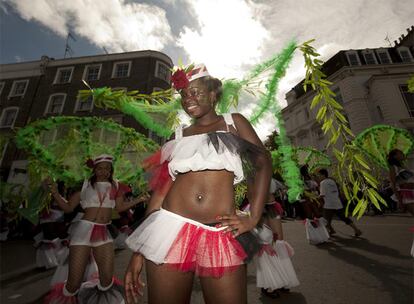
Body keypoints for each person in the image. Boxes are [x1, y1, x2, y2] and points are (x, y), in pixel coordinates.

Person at [124, 64, 272, 304]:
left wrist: (254, 216)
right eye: (183, 95)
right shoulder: (178, 136)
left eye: (195, 92)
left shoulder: (233, 123)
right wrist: (140, 250)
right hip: (169, 228)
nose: (187, 99)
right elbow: (161, 194)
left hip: (220, 232)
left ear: (213, 94)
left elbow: (263, 162)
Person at [44, 154, 148, 303]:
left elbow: (119, 208)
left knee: (106, 280)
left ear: (111, 170)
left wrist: (139, 199)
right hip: (83, 232)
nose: (104, 171)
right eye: (100, 168)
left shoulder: (116, 186)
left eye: (107, 168)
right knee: (73, 283)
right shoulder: (85, 185)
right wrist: (54, 192)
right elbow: (67, 208)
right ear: (94, 169)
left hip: (103, 233)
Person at [317, 168, 362, 237]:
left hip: (329, 204)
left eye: (319, 175)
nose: (318, 176)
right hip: (337, 203)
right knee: (344, 218)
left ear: (323, 175)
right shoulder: (332, 181)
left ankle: (328, 232)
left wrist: (316, 198)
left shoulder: (323, 183)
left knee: (325, 220)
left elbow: (322, 194)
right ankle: (356, 230)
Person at [388, 149, 414, 216]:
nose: (403, 154)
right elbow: (393, 184)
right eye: (401, 153)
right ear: (395, 156)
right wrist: (399, 201)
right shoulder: (393, 167)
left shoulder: (403, 166)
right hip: (406, 195)